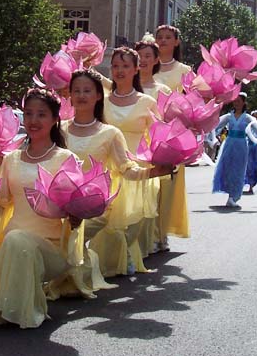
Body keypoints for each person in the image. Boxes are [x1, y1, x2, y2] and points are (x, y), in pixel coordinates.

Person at [0, 89, 101, 328]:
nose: (34, 120)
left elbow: (75, 207)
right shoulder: (11, 160)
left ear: (55, 119)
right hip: (14, 243)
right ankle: (13, 307)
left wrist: (76, 218)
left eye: (41, 114)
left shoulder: (66, 159)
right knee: (15, 238)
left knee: (16, 239)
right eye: (28, 114)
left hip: (52, 249)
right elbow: (0, 206)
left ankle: (25, 310)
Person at [64, 69, 172, 276]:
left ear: (98, 95)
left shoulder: (110, 133)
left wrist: (153, 172)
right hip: (61, 205)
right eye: (76, 90)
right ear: (70, 95)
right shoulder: (59, 129)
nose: (81, 95)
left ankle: (80, 267)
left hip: (96, 207)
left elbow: (127, 170)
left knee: (71, 238)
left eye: (87, 90)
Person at [90, 47, 159, 275]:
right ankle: (106, 262)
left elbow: (158, 136)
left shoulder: (147, 102)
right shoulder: (101, 101)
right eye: (116, 66)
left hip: (135, 167)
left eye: (126, 66)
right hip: (106, 168)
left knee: (129, 220)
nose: (120, 70)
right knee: (106, 221)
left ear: (136, 69)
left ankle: (126, 254)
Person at [134, 38, 188, 252]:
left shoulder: (163, 90)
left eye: (148, 56)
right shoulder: (124, 88)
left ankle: (157, 235)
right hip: (130, 146)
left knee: (157, 194)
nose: (143, 60)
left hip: (155, 147)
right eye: (139, 56)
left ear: (156, 60)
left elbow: (172, 121)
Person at [212, 93, 255, 208]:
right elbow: (215, 125)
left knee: (239, 171)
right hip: (229, 145)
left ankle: (234, 196)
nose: (236, 103)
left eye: (239, 101)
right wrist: (213, 137)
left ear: (243, 103)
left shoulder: (247, 118)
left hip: (241, 146)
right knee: (228, 169)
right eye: (235, 101)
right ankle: (230, 194)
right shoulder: (228, 116)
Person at [153, 25, 193, 92]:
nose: (163, 40)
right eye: (159, 38)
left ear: (176, 42)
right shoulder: (147, 67)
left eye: (168, 37)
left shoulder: (185, 70)